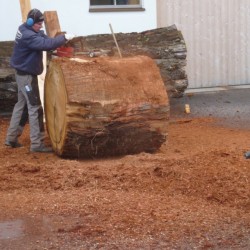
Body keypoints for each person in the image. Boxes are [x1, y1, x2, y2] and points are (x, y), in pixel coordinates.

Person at [5, 8, 75, 152]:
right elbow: (44, 44)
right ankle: (37, 144)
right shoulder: (28, 36)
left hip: (22, 75)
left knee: (22, 105)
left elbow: (43, 38)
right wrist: (64, 38)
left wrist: (55, 43)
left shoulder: (25, 28)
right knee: (35, 108)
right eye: (39, 24)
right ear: (31, 22)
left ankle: (11, 138)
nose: (41, 26)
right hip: (26, 78)